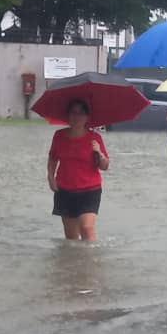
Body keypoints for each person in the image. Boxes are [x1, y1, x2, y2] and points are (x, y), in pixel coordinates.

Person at [48, 99, 109, 241]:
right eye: (73, 113)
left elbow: (105, 166)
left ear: (87, 117)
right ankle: (74, 262)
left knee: (87, 228)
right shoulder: (59, 136)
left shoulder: (95, 138)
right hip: (65, 189)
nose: (77, 117)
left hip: (90, 190)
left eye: (81, 113)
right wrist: (50, 178)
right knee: (71, 237)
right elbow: (52, 159)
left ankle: (91, 261)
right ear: (68, 116)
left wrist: (99, 153)